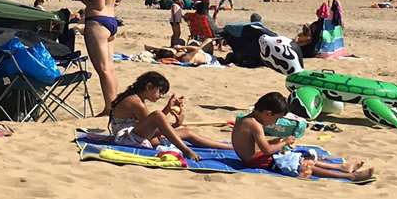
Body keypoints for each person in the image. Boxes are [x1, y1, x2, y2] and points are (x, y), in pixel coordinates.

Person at [72, 0, 149, 115]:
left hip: (97, 23)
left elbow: (98, 5)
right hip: (111, 21)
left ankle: (109, 108)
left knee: (103, 69)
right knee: (110, 68)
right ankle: (114, 106)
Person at [233, 93, 373, 182]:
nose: (274, 123)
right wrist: (285, 142)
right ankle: (349, 176)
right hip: (255, 161)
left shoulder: (245, 119)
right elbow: (266, 151)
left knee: (299, 156)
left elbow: (251, 145)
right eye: (276, 119)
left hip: (253, 157)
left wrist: (275, 142)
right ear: (268, 113)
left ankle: (341, 166)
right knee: (302, 164)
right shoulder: (256, 125)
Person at [105, 71, 227, 154]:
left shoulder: (136, 98)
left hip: (134, 135)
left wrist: (168, 110)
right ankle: (185, 150)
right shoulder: (136, 103)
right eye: (160, 92)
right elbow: (154, 124)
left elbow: (151, 125)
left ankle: (230, 147)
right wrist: (174, 125)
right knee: (160, 116)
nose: (161, 96)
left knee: (186, 132)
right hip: (127, 138)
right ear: (148, 86)